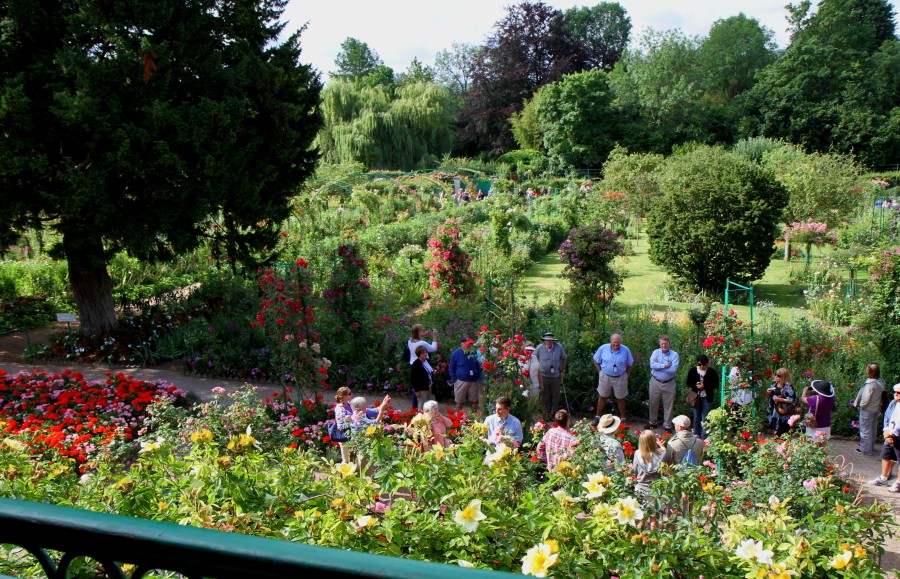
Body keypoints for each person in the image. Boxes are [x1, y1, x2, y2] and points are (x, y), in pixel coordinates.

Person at [593, 333, 634, 423]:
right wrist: (599, 372)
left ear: (621, 342)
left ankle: (623, 418)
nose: (616, 344)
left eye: (618, 342)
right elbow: (596, 360)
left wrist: (627, 374)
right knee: (602, 396)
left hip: (620, 377)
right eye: (614, 342)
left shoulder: (625, 350)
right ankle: (597, 417)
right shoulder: (603, 348)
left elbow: (630, 364)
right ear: (611, 341)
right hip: (605, 376)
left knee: (621, 398)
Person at [647, 335, 680, 434]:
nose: (664, 345)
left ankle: (667, 425)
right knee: (653, 403)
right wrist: (664, 365)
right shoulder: (655, 352)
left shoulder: (674, 355)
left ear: (669, 343)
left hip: (669, 383)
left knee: (668, 405)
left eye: (665, 343)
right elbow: (652, 365)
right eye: (662, 343)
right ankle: (652, 422)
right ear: (659, 344)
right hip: (655, 382)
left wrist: (658, 366)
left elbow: (673, 370)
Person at [533, 332, 568, 418]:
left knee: (555, 396)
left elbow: (565, 358)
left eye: (550, 341)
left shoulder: (558, 347)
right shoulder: (539, 348)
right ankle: (546, 414)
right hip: (543, 375)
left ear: (553, 341)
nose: (548, 342)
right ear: (544, 341)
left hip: (556, 375)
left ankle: (554, 415)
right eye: (547, 341)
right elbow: (533, 358)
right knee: (545, 396)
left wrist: (563, 370)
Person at [871, 383, 900, 487]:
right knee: (886, 455)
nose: (896, 394)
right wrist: (886, 431)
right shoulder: (893, 403)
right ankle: (883, 478)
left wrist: (892, 434)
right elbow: (887, 418)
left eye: (899, 392)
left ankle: (898, 484)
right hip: (889, 434)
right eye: (895, 392)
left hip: (897, 435)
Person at [855, 363, 885, 456]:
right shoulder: (880, 383)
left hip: (867, 409)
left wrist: (861, 405)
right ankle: (870, 447)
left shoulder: (870, 384)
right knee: (872, 428)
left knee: (865, 429)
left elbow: (866, 398)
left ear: (870, 372)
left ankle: (866, 450)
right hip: (875, 408)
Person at [685, 354, 717, 439]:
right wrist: (696, 386)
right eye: (699, 364)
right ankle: (696, 435)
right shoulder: (693, 371)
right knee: (696, 417)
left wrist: (705, 386)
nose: (701, 366)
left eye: (703, 364)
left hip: (707, 397)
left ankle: (704, 436)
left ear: (707, 364)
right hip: (696, 397)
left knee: (705, 418)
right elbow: (688, 382)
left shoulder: (712, 372)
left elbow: (716, 384)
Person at [407, 324, 438, 410]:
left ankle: (414, 408)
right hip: (419, 365)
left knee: (418, 393)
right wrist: (434, 337)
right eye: (421, 330)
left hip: (417, 363)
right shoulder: (422, 343)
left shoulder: (410, 341)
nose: (423, 332)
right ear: (418, 332)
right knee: (421, 395)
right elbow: (433, 348)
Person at [449, 336, 482, 412]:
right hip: (460, 380)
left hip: (473, 380)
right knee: (459, 401)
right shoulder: (456, 353)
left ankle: (474, 418)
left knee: (474, 401)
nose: (470, 345)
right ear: (462, 344)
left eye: (471, 344)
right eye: (468, 344)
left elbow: (477, 364)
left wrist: (477, 375)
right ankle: (459, 418)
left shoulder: (473, 352)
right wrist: (455, 379)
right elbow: (451, 368)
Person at [633, 430, 665, 496]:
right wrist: (662, 447)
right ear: (654, 441)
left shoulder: (638, 453)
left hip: (641, 489)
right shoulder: (662, 454)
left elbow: (634, 471)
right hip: (657, 490)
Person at [766, 368, 796, 436]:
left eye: (778, 376)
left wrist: (780, 399)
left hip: (783, 411)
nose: (776, 376)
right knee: (774, 430)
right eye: (775, 375)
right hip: (773, 410)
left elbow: (792, 400)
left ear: (783, 377)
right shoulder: (774, 384)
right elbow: (770, 396)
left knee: (783, 431)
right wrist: (768, 392)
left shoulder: (788, 386)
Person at [333, 387, 354, 463]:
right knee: (346, 461)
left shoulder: (349, 404)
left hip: (352, 436)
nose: (351, 395)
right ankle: (343, 474)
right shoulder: (340, 409)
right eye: (350, 394)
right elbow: (340, 426)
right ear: (344, 396)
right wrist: (352, 421)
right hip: (344, 437)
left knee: (352, 459)